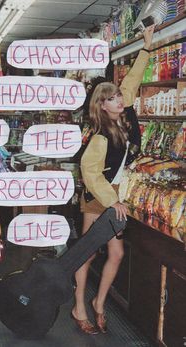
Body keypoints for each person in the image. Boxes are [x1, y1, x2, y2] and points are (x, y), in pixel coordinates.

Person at [71, 25, 155, 335]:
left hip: (117, 194)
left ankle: (99, 304)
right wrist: (112, 201)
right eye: (113, 98)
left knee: (116, 254)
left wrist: (147, 46)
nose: (120, 99)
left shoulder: (126, 112)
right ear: (102, 105)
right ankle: (79, 304)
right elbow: (90, 171)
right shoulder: (100, 135)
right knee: (86, 251)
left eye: (119, 96)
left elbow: (132, 79)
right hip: (99, 197)